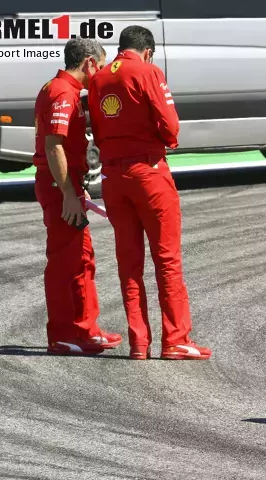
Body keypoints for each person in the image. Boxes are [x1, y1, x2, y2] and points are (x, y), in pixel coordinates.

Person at [89, 25, 211, 360]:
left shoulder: (98, 78)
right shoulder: (148, 71)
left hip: (113, 175)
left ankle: (138, 343)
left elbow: (97, 129)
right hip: (149, 173)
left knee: (129, 264)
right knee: (167, 259)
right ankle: (175, 340)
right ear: (147, 50)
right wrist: (166, 141)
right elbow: (170, 124)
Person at [33, 38, 121, 355]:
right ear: (88, 63)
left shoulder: (58, 88)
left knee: (83, 260)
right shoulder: (61, 92)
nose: (100, 72)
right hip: (60, 188)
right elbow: (53, 145)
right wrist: (68, 192)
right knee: (64, 264)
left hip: (66, 184)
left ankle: (87, 330)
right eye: (100, 64)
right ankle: (62, 335)